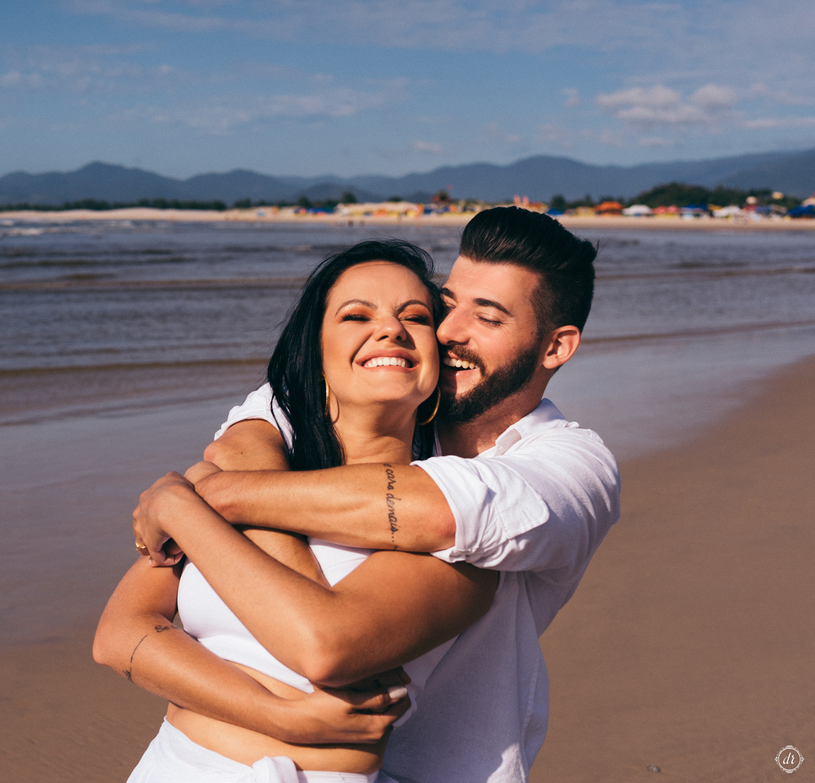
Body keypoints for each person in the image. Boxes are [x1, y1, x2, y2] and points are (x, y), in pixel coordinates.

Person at [128, 207, 620, 782]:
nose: (449, 330)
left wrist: (192, 502)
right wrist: (281, 714)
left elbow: (438, 512)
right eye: (446, 304)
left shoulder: (572, 467)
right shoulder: (371, 408)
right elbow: (251, 428)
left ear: (555, 348)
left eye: (486, 318)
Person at [94, 240, 499, 782]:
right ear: (319, 358)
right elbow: (118, 634)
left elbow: (325, 648)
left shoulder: (457, 518)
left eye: (416, 317)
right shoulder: (257, 479)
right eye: (357, 315)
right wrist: (278, 715)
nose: (391, 330)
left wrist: (181, 506)